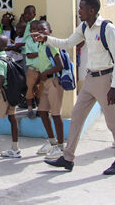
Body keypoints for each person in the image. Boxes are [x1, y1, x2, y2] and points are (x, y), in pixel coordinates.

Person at [38, 0, 115, 176]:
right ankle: (68, 158)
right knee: (77, 116)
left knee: (113, 122)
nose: (79, 11)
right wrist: (45, 38)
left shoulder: (107, 28)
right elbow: (67, 43)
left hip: (106, 80)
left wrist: (114, 87)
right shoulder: (84, 27)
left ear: (91, 10)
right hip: (90, 79)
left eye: (81, 8)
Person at [32, 20, 66, 160]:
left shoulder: (51, 45)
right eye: (38, 29)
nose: (40, 32)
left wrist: (45, 74)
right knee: (43, 111)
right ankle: (52, 141)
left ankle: (60, 146)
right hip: (45, 82)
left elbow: (60, 65)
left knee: (56, 114)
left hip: (53, 81)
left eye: (43, 29)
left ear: (49, 32)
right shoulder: (40, 45)